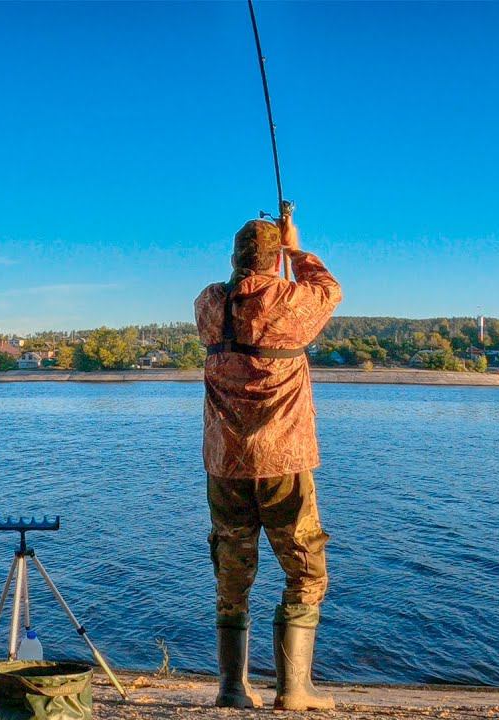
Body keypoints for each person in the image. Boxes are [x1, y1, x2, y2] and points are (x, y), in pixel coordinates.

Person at [193, 215, 342, 711]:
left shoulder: (209, 303)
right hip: (285, 460)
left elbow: (241, 295)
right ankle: (295, 690)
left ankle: (231, 688)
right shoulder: (290, 300)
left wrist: (279, 255)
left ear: (234, 257)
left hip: (225, 464)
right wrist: (297, 251)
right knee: (304, 569)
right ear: (275, 260)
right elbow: (329, 289)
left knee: (232, 574)